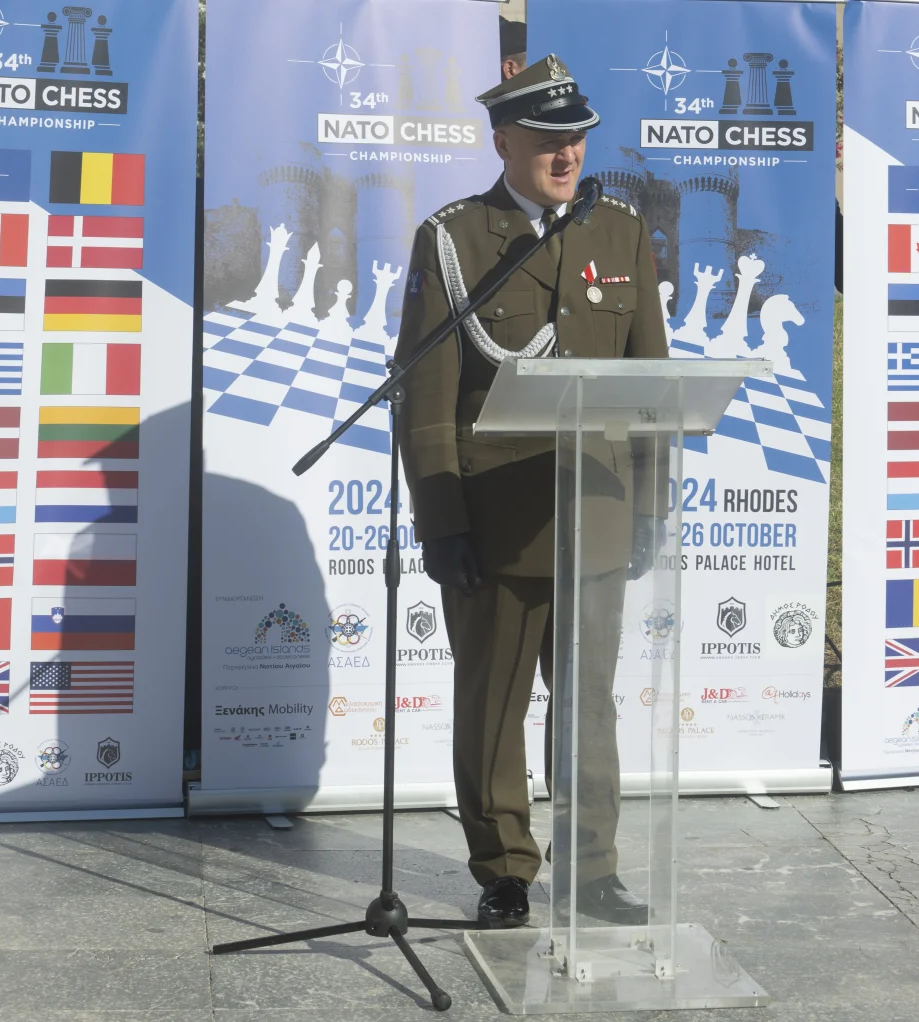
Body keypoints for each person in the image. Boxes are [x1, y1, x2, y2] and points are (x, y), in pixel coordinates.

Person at [394, 53, 668, 928]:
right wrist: (442, 521)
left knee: (589, 708)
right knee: (492, 705)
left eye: (577, 138)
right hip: (495, 519)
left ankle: (592, 871)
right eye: (549, 139)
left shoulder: (619, 230)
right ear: (503, 142)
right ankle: (505, 869)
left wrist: (650, 508)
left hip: (596, 512)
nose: (567, 154)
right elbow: (428, 394)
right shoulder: (455, 238)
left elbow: (651, 379)